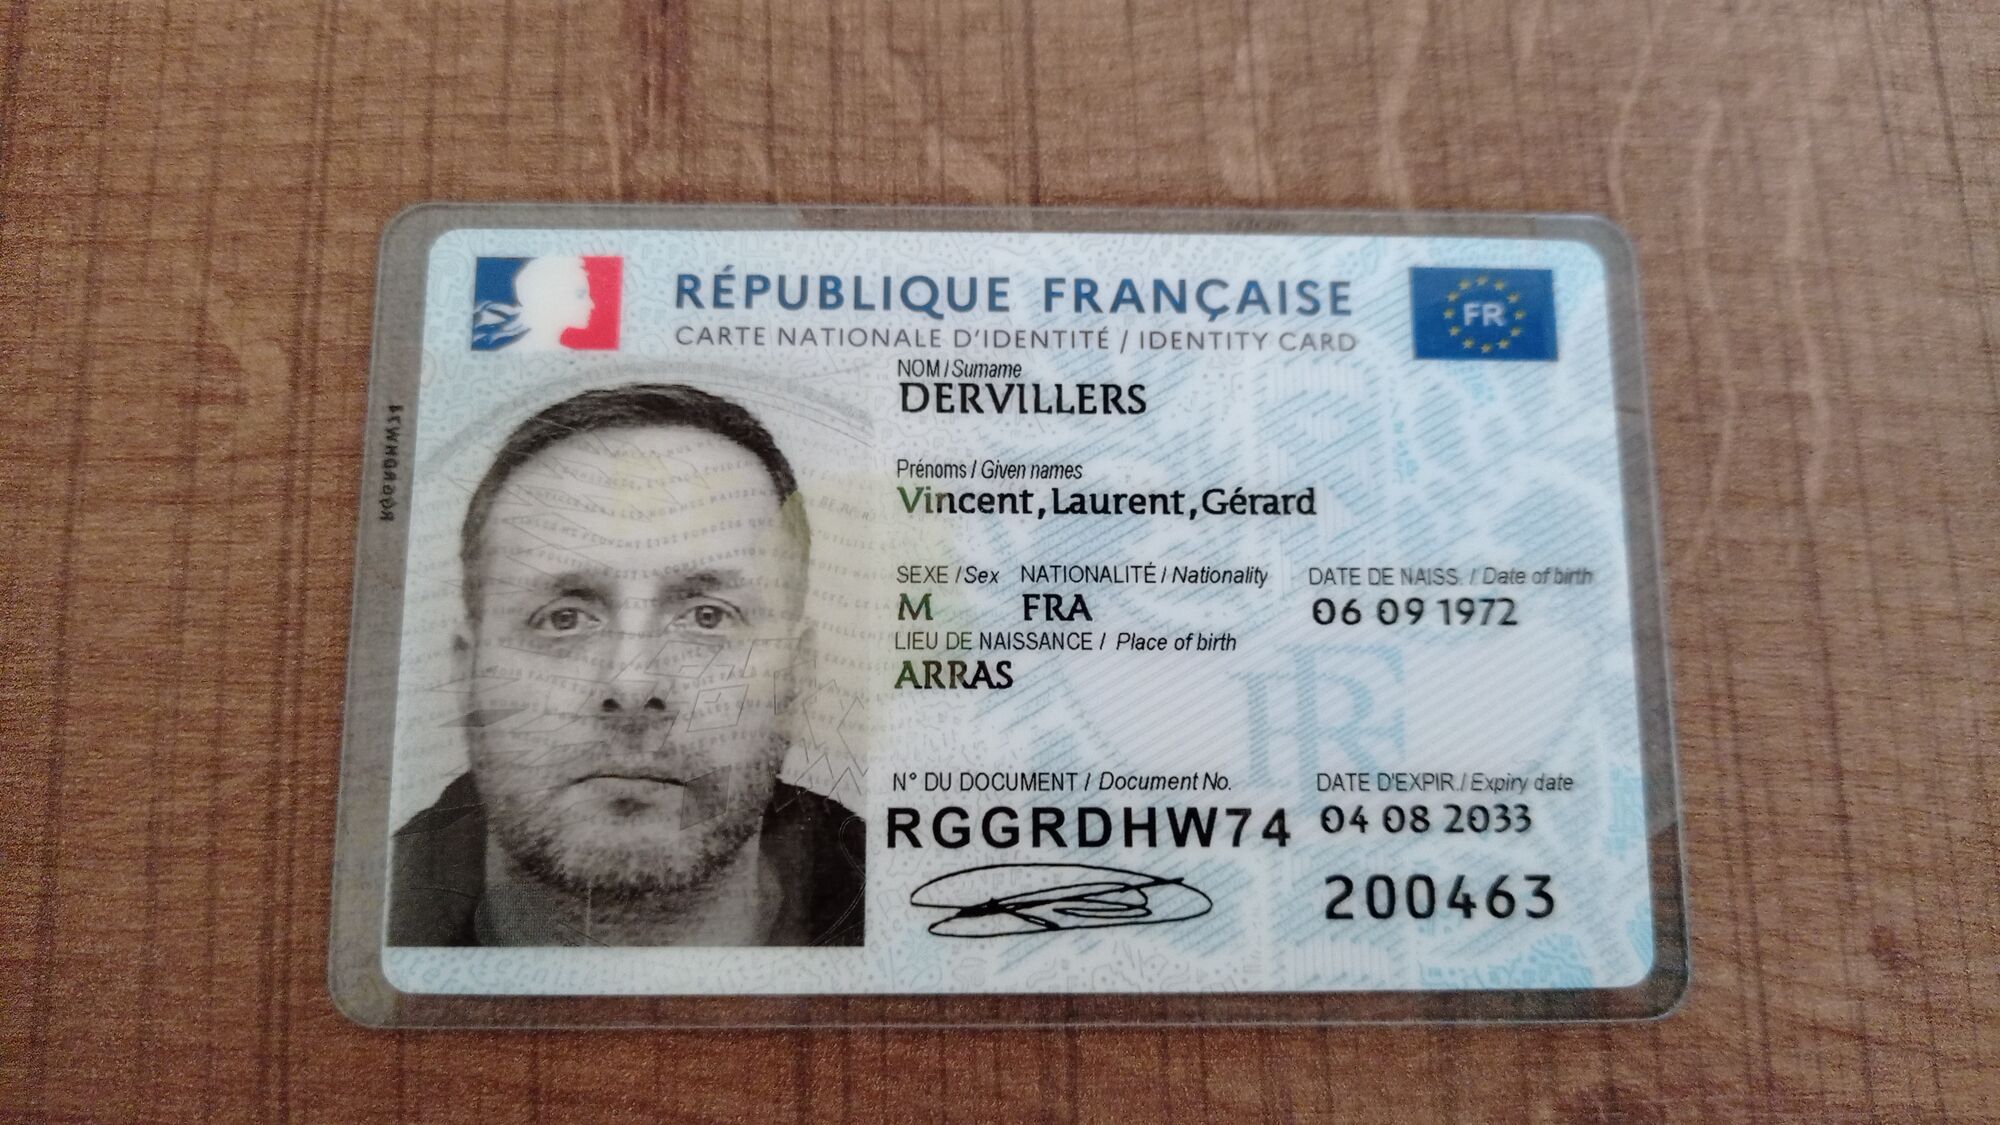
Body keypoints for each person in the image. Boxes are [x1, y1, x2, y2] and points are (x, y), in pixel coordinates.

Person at [389, 383, 864, 947]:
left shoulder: (900, 918)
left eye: (707, 617)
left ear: (797, 679)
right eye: (563, 619)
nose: (633, 684)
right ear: (467, 676)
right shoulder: (364, 914)